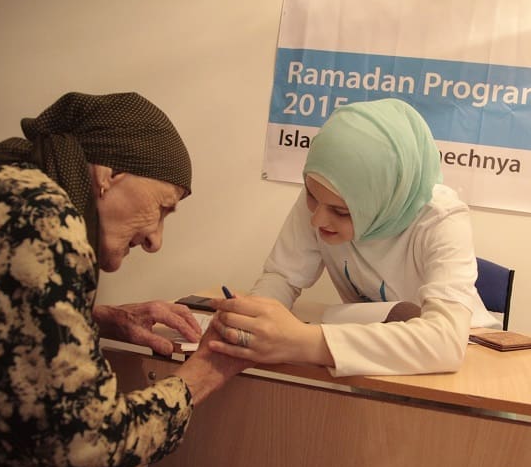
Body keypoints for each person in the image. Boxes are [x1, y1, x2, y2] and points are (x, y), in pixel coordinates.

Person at [0, 92, 253, 467]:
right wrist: (205, 372)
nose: (155, 240)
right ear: (108, 174)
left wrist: (93, 319)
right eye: (162, 207)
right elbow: (90, 448)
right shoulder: (40, 216)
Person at [209, 98, 500, 377]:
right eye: (311, 196)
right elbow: (283, 276)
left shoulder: (441, 218)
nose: (318, 220)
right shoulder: (325, 194)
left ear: (383, 199)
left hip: (465, 360)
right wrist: (250, 321)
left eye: (341, 212)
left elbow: (444, 343)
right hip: (372, 353)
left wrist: (301, 341)